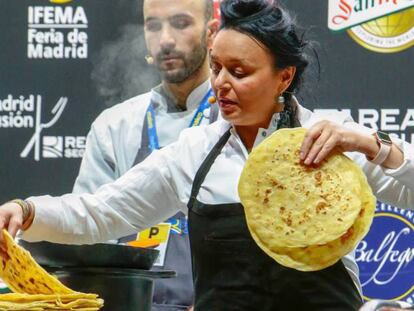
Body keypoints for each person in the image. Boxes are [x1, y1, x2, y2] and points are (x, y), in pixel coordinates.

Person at [1, 0, 414, 310]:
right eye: (216, 67)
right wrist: (27, 210)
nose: (221, 84)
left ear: (284, 76)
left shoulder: (332, 141)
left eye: (240, 72)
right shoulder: (194, 151)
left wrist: (375, 145)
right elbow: (101, 212)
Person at [72, 0, 218, 310]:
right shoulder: (114, 126)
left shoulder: (239, 122)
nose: (165, 39)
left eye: (180, 23)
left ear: (211, 32)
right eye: (153, 25)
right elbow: (90, 240)